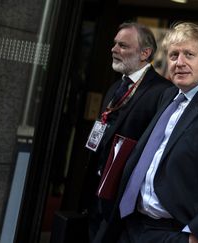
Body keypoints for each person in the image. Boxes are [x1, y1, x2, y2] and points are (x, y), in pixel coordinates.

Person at [93, 22, 198, 243]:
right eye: (173, 56)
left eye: (189, 54)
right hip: (135, 226)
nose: (179, 63)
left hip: (179, 232)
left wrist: (195, 235)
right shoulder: (168, 95)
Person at [82, 22, 172, 240]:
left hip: (123, 202)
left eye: (123, 46)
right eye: (115, 44)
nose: (114, 49)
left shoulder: (162, 91)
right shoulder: (116, 87)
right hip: (97, 193)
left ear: (145, 53)